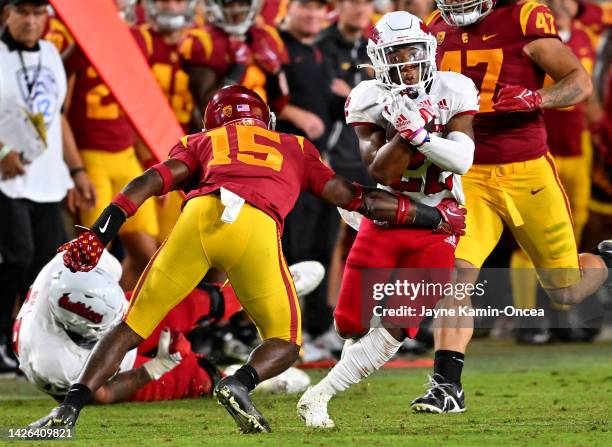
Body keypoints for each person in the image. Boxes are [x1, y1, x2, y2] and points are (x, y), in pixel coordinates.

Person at [27, 85, 466, 434]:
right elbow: (361, 200)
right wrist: (434, 216)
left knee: (130, 327)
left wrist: (104, 230)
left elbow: (150, 180)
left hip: (197, 218)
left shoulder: (201, 141)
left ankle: (67, 413)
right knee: (286, 341)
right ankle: (239, 382)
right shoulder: (292, 146)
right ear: (265, 120)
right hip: (254, 224)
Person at [411, 0, 612, 414]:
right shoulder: (434, 25)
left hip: (527, 172)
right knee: (454, 276)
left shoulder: (523, 16)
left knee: (565, 290)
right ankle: (447, 386)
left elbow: (579, 81)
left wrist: (535, 98)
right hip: (469, 173)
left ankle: (608, 261)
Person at [297, 11, 478, 428]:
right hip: (389, 216)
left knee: (402, 320)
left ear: (429, 51)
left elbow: (463, 160)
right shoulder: (367, 97)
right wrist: (404, 129)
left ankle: (320, 394)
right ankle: (357, 346)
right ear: (378, 59)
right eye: (396, 54)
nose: (407, 63)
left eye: (414, 52)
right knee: (349, 324)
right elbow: (381, 171)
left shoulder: (454, 88)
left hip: (437, 220)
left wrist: (420, 133)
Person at [0, 0, 94, 374]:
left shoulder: (53, 53)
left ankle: (28, 343)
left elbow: (58, 118)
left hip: (48, 178)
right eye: (23, 11)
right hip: (6, 178)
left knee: (45, 267)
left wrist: (77, 168)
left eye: (39, 12)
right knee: (16, 257)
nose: (31, 20)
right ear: (7, 13)